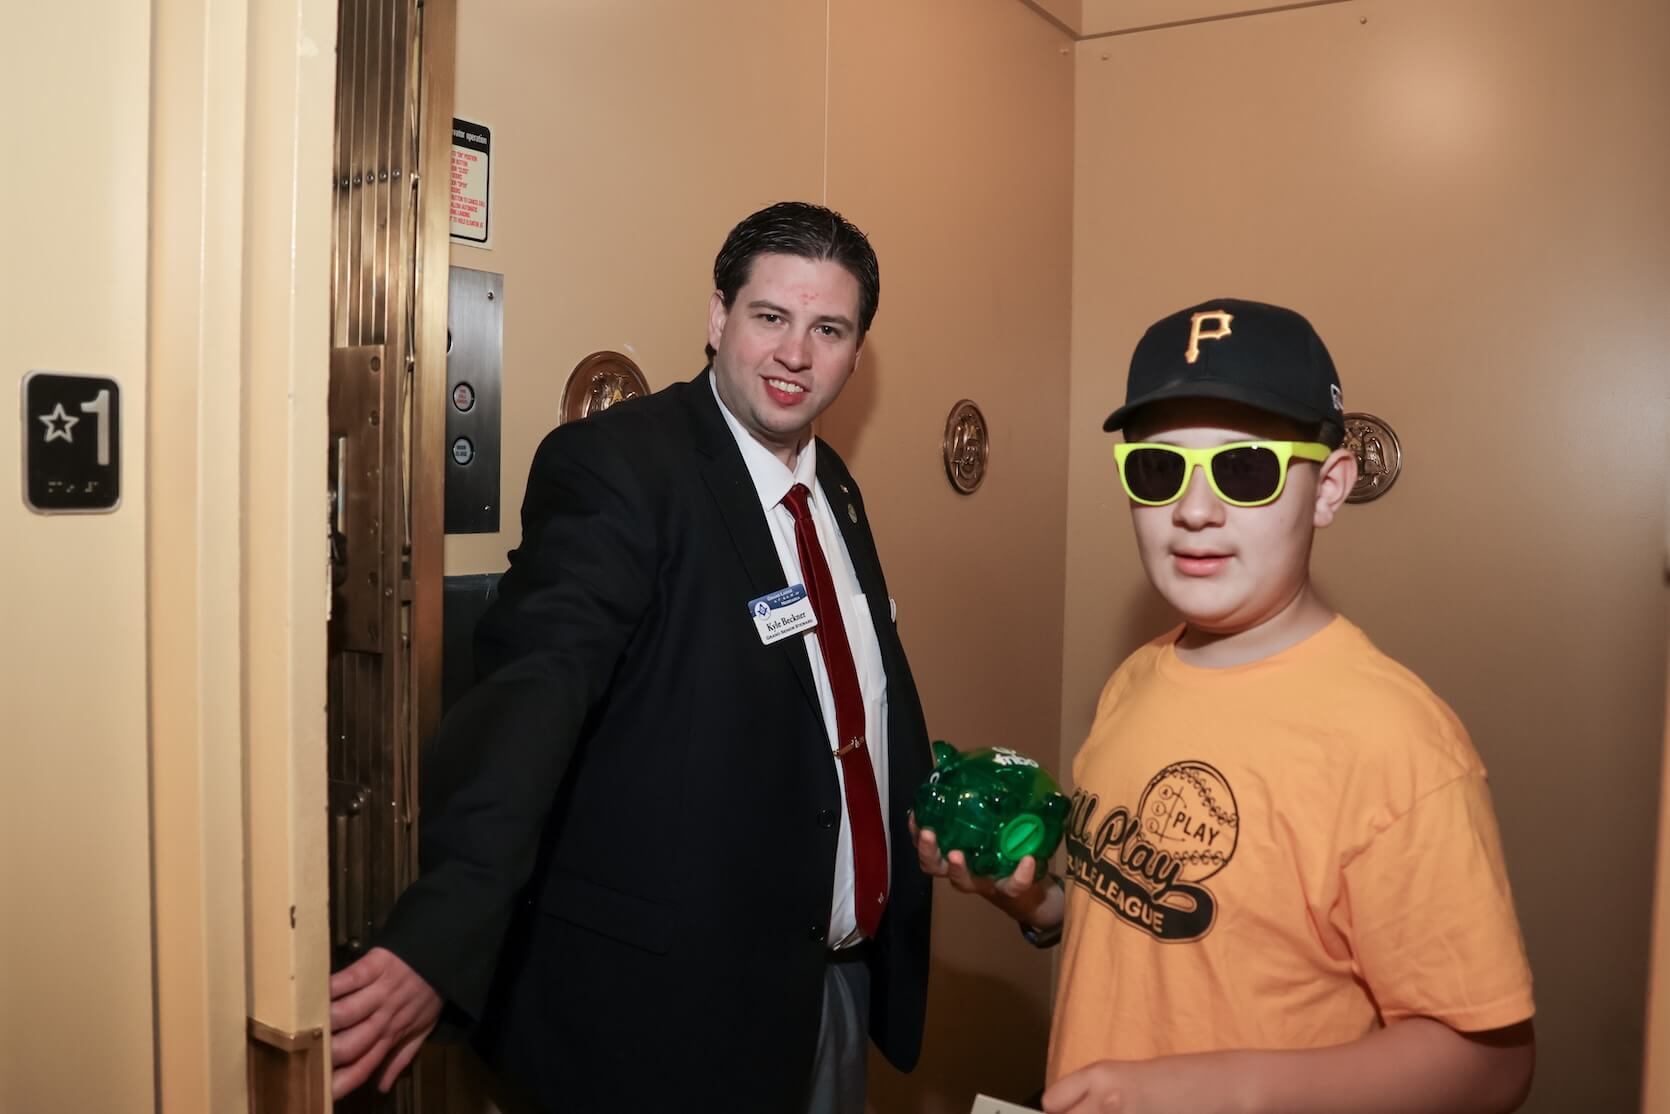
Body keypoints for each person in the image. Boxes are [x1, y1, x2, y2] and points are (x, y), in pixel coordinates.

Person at [330, 201, 934, 1114]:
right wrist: (440, 926)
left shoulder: (832, 489)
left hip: (827, 988)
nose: (795, 354)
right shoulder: (619, 467)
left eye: (829, 329)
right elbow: (537, 691)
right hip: (665, 1023)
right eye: (770, 317)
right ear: (717, 318)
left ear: (857, 351)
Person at [916, 299, 1536, 1114]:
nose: (1195, 510)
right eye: (1158, 470)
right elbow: (1155, 926)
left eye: (1245, 469)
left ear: (1329, 488)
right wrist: (1032, 900)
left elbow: (1490, 1066)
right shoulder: (1136, 679)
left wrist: (1221, 1089)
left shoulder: (1399, 743)